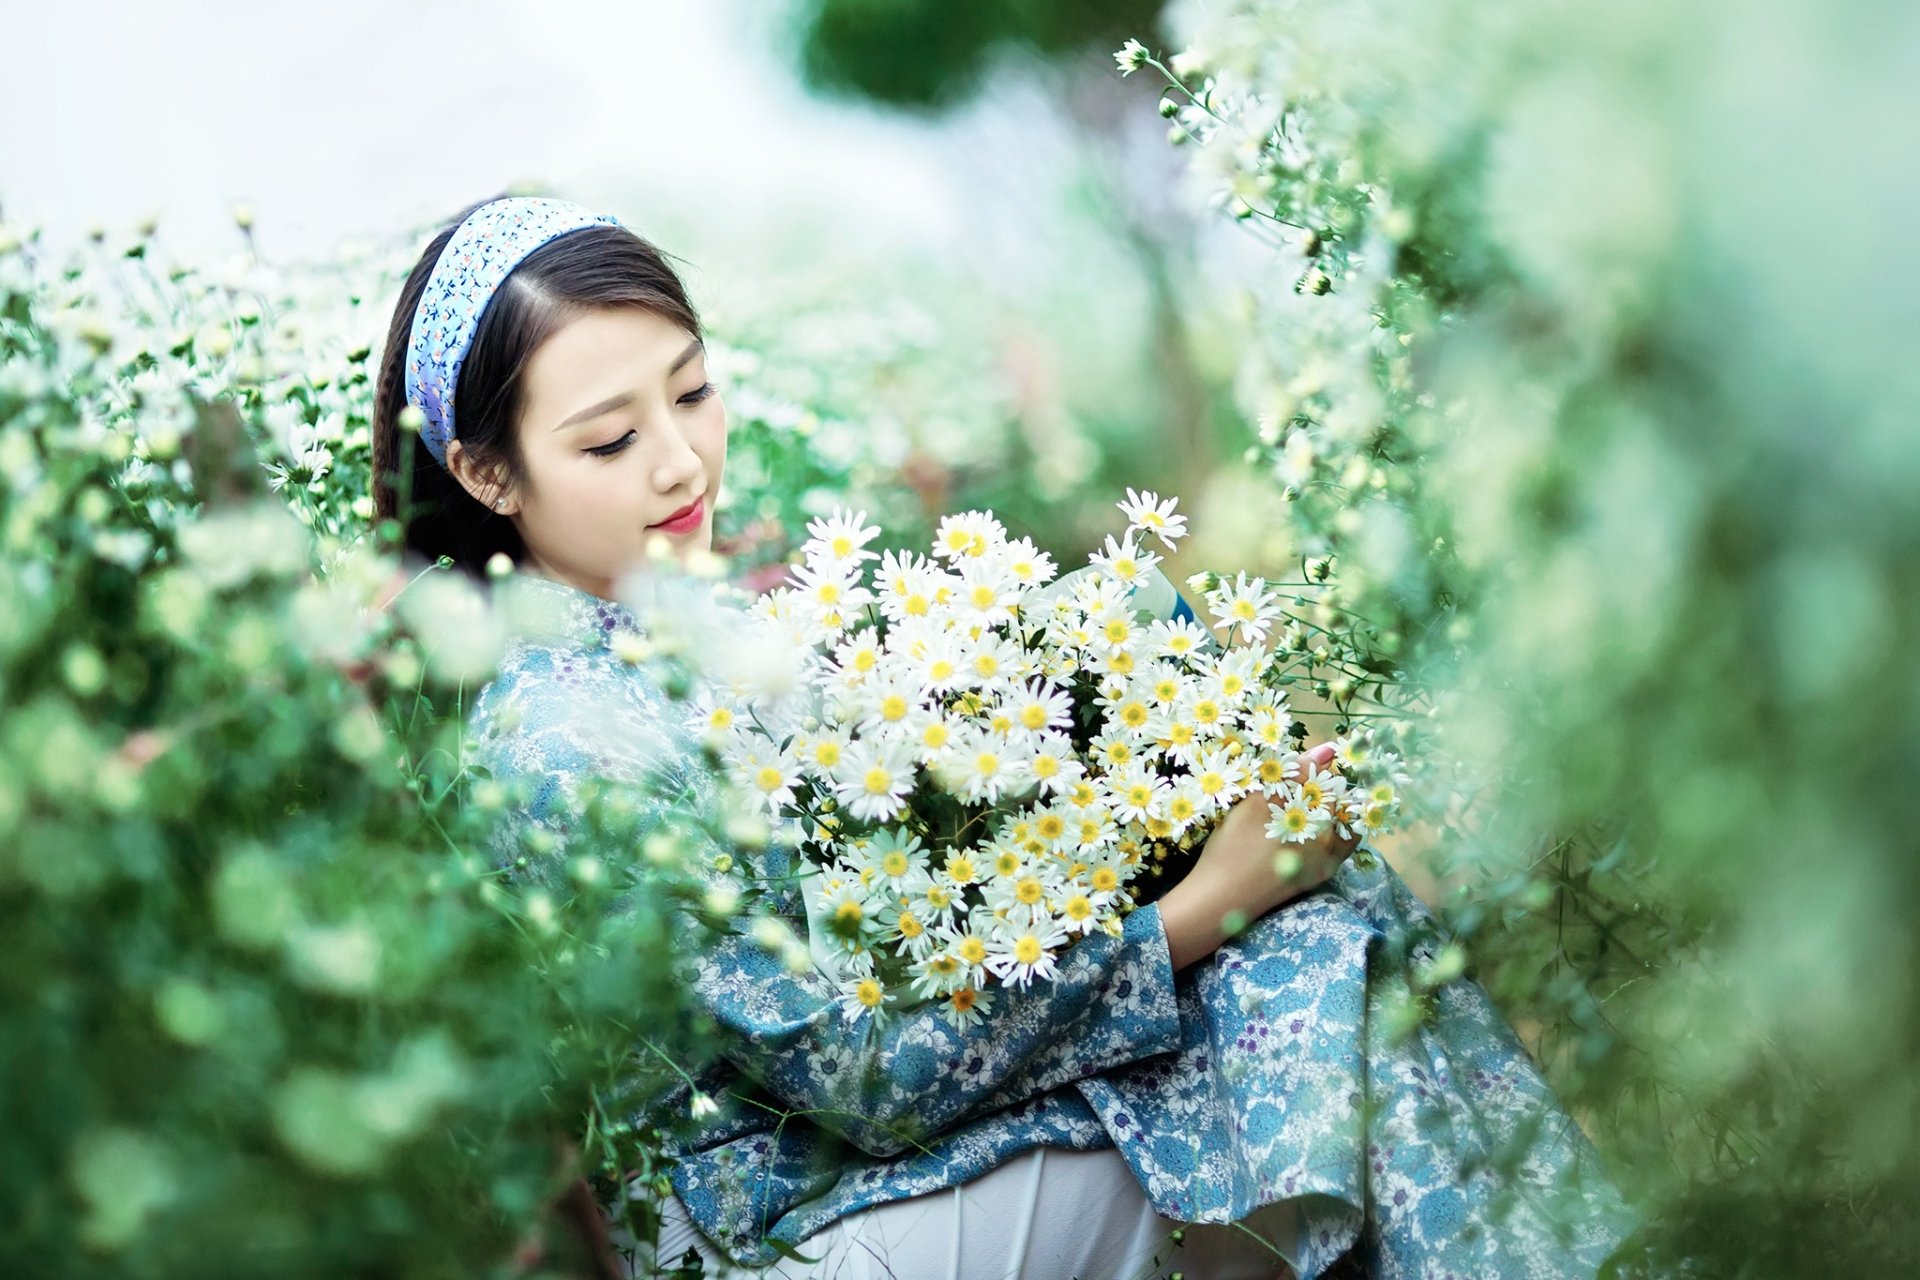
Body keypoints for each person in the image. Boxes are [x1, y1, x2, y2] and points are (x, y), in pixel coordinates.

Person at [370, 195, 1634, 1279]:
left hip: (874, 1152)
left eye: (693, 389)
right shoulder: (559, 731)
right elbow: (861, 1072)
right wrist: (1202, 906)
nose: (680, 457)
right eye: (608, 437)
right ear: (485, 475)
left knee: (1303, 947)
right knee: (1298, 981)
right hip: (794, 1228)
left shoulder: (667, 633)